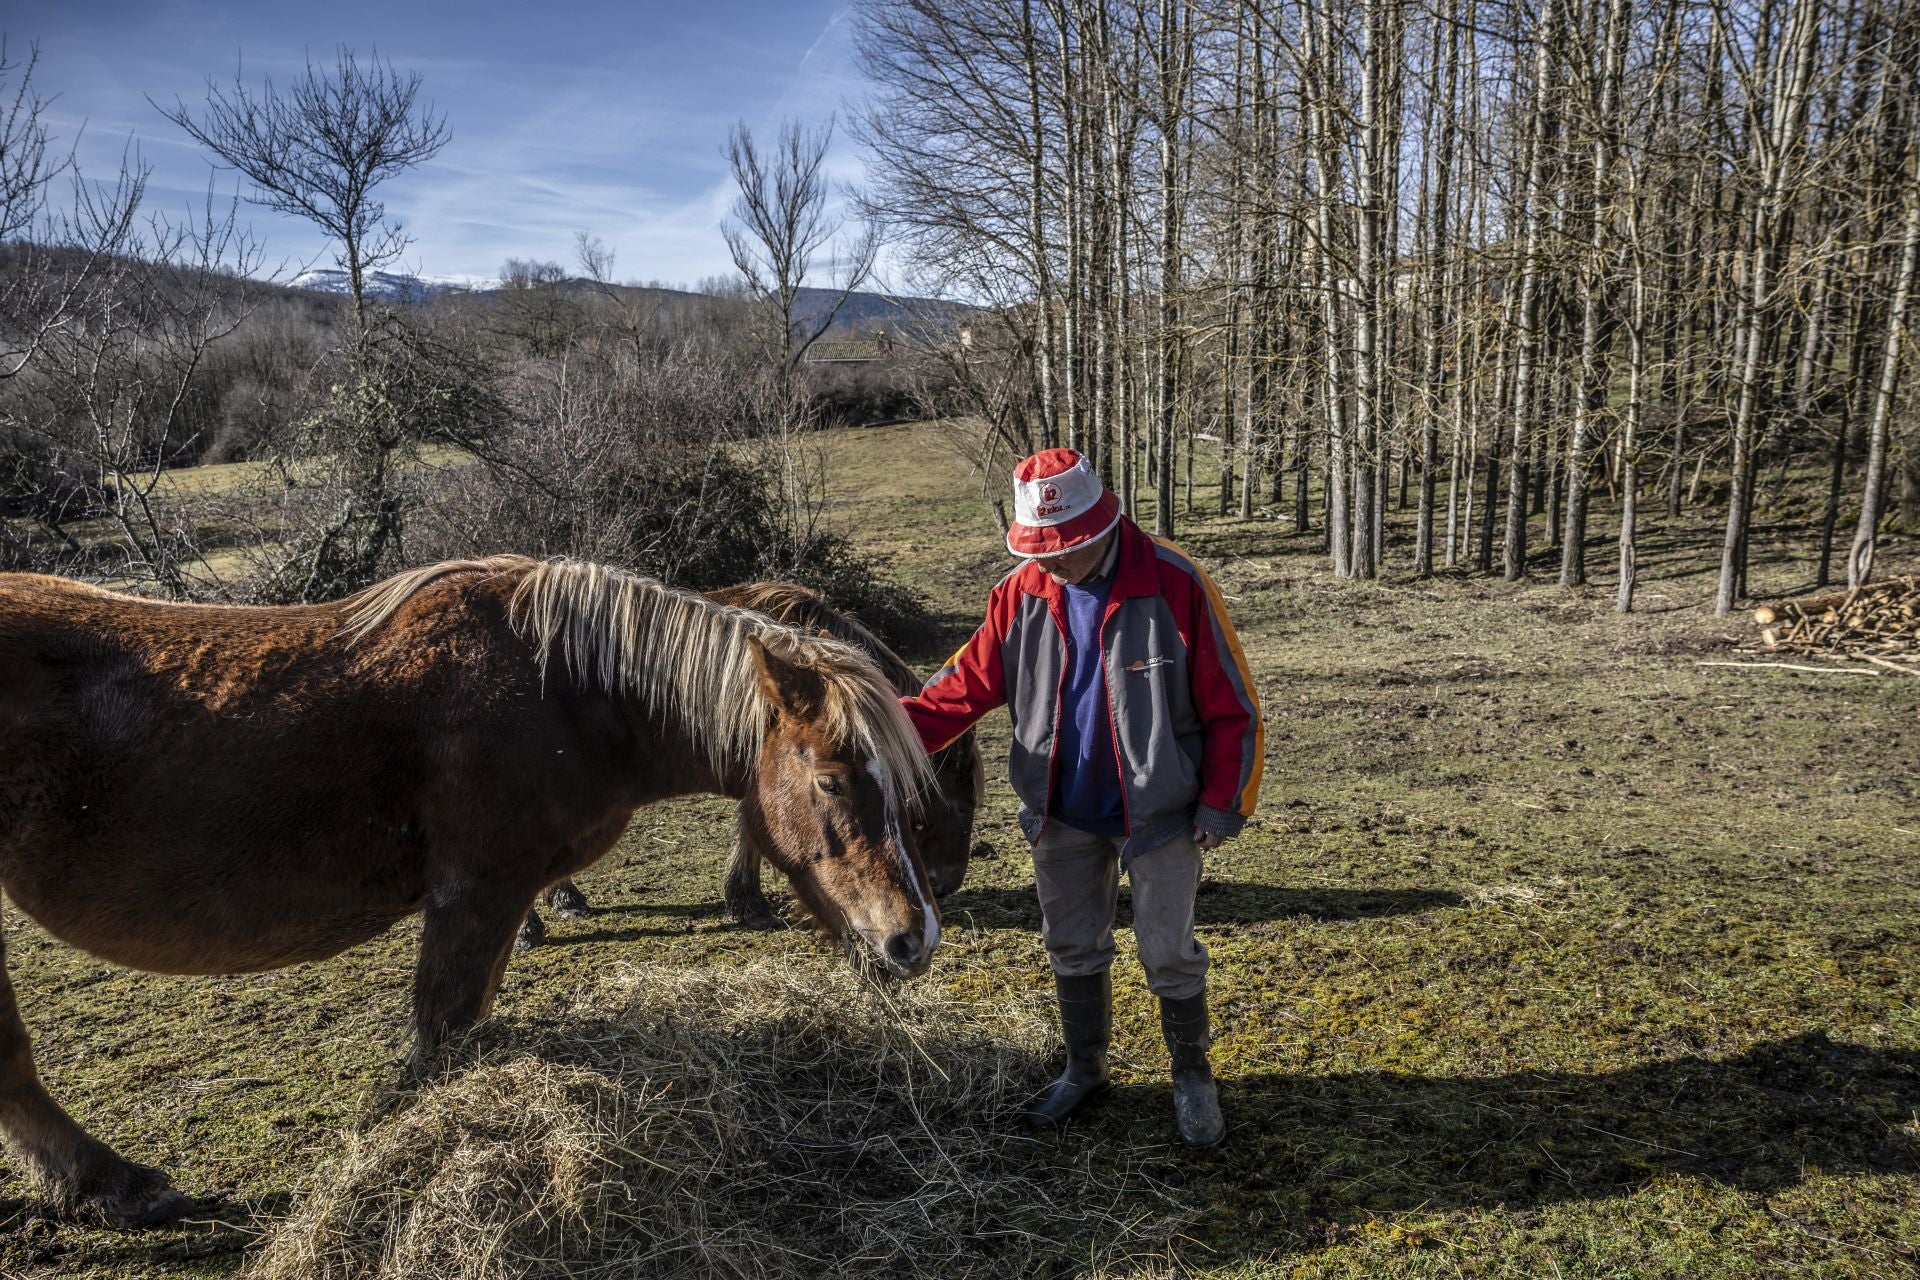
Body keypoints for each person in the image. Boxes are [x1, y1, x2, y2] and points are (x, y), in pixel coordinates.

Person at [899, 448, 1264, 1148]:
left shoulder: (1174, 582)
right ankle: (1085, 1068)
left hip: (1161, 814)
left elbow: (1234, 706)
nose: (1053, 561)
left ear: (1103, 522)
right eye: (1041, 548)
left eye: (1064, 547)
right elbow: (962, 689)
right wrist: (882, 726)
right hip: (1060, 810)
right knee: (1070, 943)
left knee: (1167, 950)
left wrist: (1223, 803)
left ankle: (1191, 1075)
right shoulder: (1020, 593)